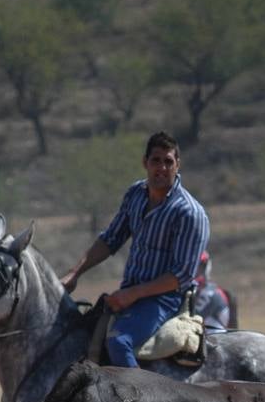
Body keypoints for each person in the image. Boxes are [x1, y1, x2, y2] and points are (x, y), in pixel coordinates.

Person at [60, 131, 210, 368]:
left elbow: (180, 275)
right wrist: (75, 273)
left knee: (120, 341)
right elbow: (111, 239)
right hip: (131, 293)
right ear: (145, 163)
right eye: (156, 160)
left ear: (177, 165)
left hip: (165, 299)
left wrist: (133, 294)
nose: (161, 168)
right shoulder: (136, 194)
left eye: (168, 162)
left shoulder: (189, 213)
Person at [192, 251, 235, 330]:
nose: (194, 272)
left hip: (215, 336)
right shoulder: (198, 290)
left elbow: (194, 317)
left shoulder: (209, 293)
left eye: (198, 267)